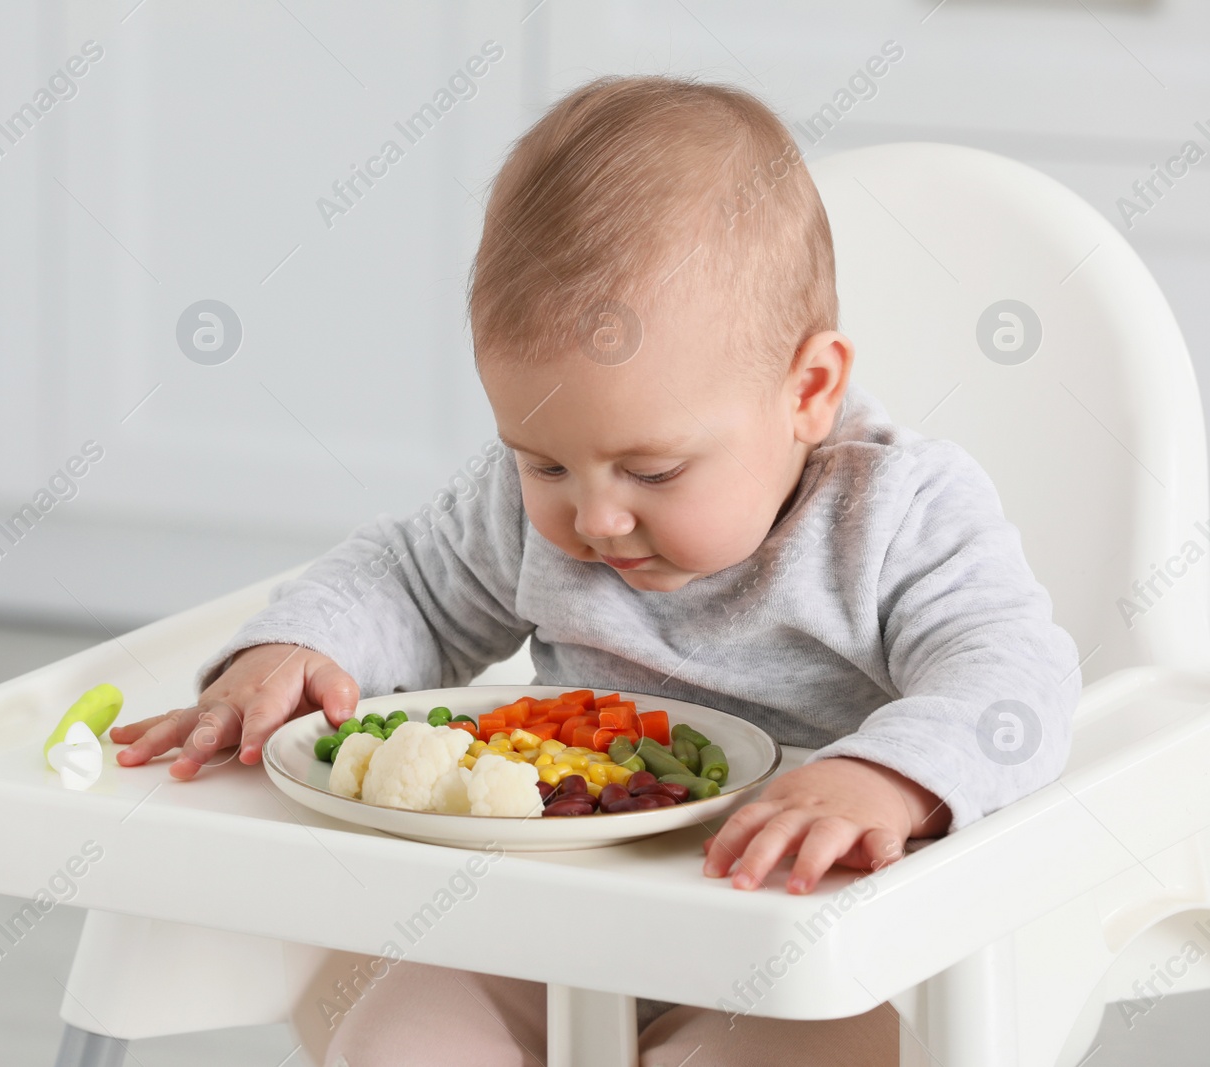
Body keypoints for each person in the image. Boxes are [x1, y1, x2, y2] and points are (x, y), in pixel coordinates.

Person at [109, 75, 1081, 1066]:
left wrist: (885, 778)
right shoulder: (534, 510)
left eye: (653, 469)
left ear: (809, 389)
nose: (597, 515)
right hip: (550, 918)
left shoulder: (897, 514)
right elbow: (407, 577)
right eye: (544, 462)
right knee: (399, 1039)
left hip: (795, 937)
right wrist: (297, 646)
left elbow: (1016, 679)